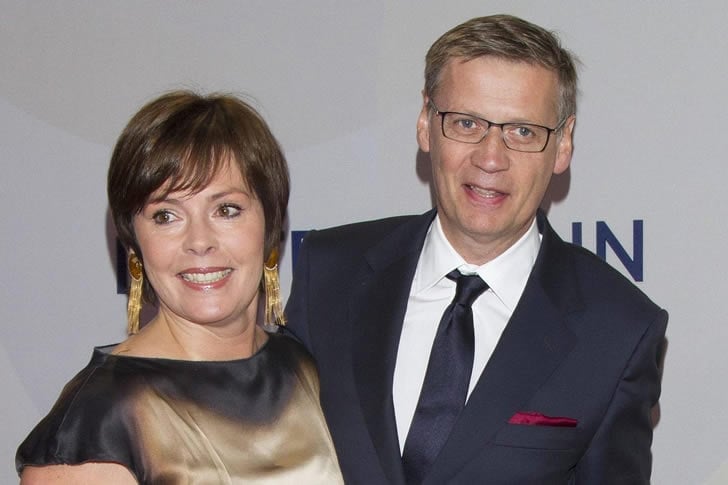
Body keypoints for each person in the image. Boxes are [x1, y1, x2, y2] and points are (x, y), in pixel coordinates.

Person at [286, 14, 667, 484]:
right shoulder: (329, 273)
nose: (490, 158)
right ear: (426, 123)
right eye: (466, 123)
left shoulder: (618, 330)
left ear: (563, 144)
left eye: (523, 131)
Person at [16, 91, 343, 484]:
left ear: (270, 224)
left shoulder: (306, 369)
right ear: (134, 242)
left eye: (226, 210)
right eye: (166, 216)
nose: (199, 241)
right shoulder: (97, 425)